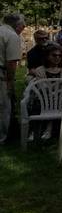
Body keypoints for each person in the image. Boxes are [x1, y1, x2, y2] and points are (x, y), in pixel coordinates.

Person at [0, 14, 25, 144]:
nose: (24, 28)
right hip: (2, 74)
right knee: (4, 106)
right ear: (16, 25)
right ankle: (3, 137)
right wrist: (10, 81)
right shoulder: (12, 36)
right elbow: (11, 63)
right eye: (23, 25)